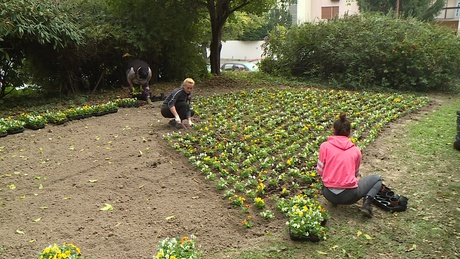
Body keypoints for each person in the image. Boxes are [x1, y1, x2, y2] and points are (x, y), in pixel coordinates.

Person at [316, 112, 382, 218]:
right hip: (349, 197)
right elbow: (355, 173)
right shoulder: (356, 151)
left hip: (328, 193)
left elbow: (320, 170)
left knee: (328, 179)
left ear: (334, 130)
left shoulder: (325, 146)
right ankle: (366, 204)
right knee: (377, 179)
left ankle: (334, 202)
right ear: (350, 132)